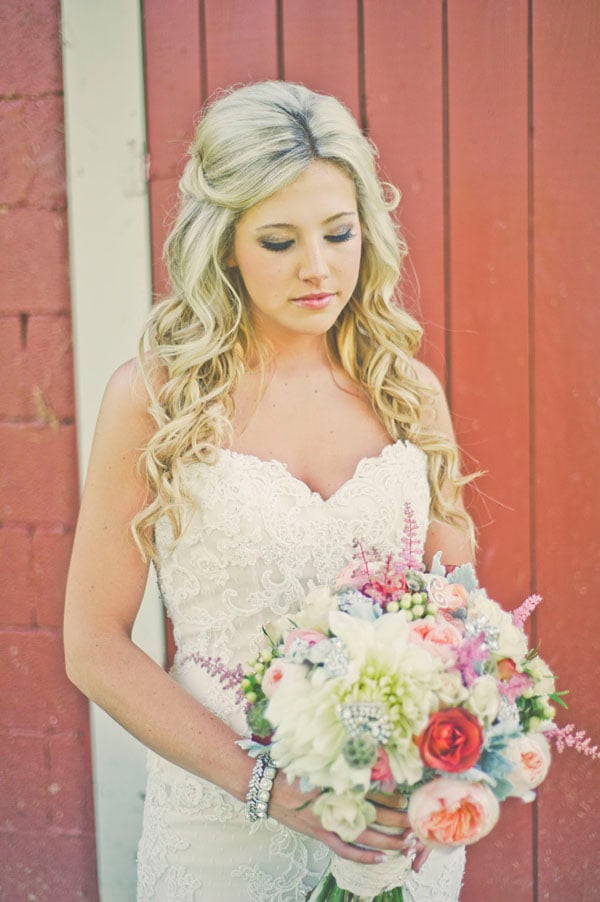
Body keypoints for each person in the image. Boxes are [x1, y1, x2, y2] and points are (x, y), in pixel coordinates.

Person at [64, 81, 476, 901]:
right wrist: (272, 790)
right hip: (225, 833)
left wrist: (422, 764)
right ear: (226, 247)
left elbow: (457, 610)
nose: (318, 269)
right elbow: (94, 647)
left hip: (389, 832)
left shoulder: (408, 391)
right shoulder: (154, 400)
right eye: (280, 242)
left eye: (339, 233)